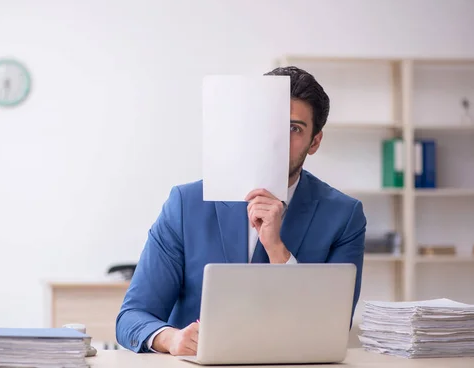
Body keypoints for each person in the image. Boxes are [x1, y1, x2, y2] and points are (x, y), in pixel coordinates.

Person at [115, 66, 367, 356]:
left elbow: (332, 328)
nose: (276, 139)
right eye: (268, 123)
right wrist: (170, 339)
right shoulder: (186, 204)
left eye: (293, 128)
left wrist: (278, 252)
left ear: (315, 142)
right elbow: (131, 318)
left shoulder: (344, 217)